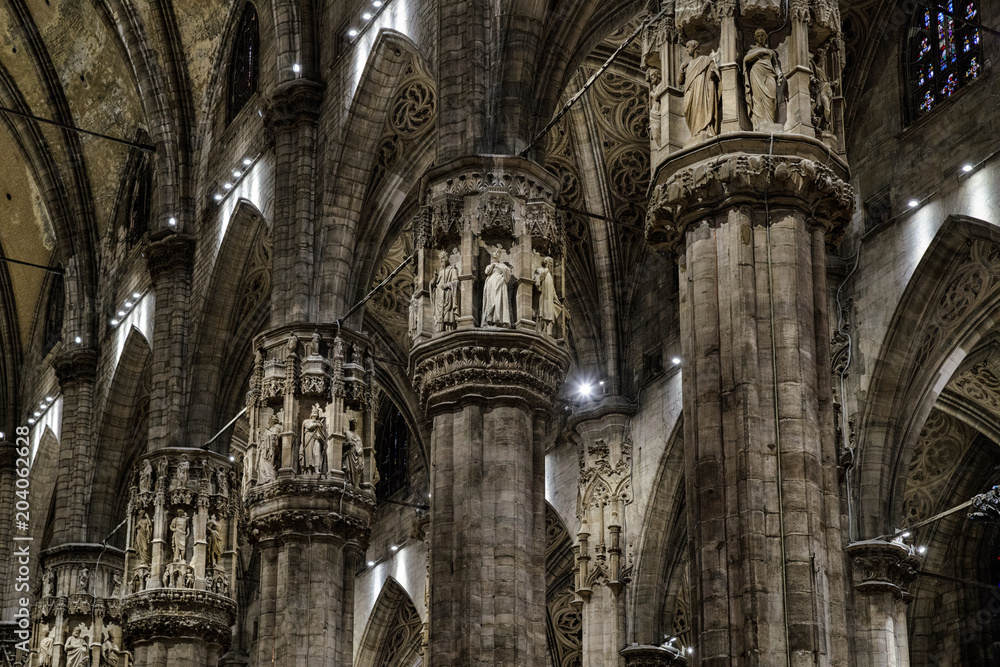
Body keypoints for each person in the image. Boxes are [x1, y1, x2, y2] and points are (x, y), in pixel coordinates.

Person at [743, 28, 784, 130]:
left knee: (772, 99)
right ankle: (759, 124)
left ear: (766, 37)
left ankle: (770, 122)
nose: (760, 38)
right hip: (756, 73)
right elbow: (746, 60)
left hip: (770, 74)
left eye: (762, 35)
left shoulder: (771, 52)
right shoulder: (752, 51)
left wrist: (779, 74)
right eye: (758, 36)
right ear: (755, 39)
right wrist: (759, 52)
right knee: (758, 99)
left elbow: (776, 65)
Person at [680, 40, 720, 141]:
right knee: (687, 109)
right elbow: (680, 81)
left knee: (701, 107)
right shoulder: (688, 65)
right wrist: (681, 69)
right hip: (690, 91)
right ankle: (694, 131)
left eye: (688, 47)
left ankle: (703, 130)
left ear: (694, 47)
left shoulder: (705, 59)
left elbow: (714, 71)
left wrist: (713, 73)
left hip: (701, 88)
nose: (687, 50)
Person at [482, 248, 511, 327]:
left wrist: (498, 266)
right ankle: (490, 318)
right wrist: (493, 265)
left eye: (498, 252)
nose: (496, 254)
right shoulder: (490, 265)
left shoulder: (502, 265)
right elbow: (486, 271)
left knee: (498, 300)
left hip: (499, 283)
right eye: (495, 252)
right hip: (491, 284)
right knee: (491, 300)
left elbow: (507, 272)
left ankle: (498, 319)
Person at [431, 250, 459, 332]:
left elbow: (456, 282)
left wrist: (447, 285)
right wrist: (435, 278)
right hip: (439, 297)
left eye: (442, 260)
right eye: (440, 261)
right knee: (439, 315)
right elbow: (434, 285)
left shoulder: (452, 270)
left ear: (446, 260)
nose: (441, 262)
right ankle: (439, 330)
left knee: (447, 313)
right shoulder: (440, 272)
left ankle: (448, 329)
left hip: (447, 294)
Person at [533, 257, 560, 335]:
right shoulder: (539, 270)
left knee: (548, 313)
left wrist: (556, 298)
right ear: (546, 262)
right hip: (543, 295)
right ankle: (539, 329)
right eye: (550, 263)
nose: (551, 265)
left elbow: (552, 288)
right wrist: (543, 275)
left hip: (549, 297)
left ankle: (546, 331)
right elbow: (536, 279)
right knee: (541, 312)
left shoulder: (550, 275)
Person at [300, 404, 326, 473]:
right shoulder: (306, 421)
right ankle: (309, 470)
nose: (315, 413)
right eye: (314, 411)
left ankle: (316, 469)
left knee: (317, 453)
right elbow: (308, 426)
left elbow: (322, 434)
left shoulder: (320, 423)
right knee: (309, 454)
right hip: (308, 437)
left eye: (316, 412)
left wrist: (320, 435)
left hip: (317, 439)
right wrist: (316, 424)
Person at [344, 418, 365, 486]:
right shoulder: (347, 433)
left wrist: (360, 449)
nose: (354, 424)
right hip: (350, 453)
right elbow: (342, 443)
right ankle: (349, 481)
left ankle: (356, 484)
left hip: (356, 454)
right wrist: (348, 443)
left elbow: (361, 445)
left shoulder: (358, 437)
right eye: (353, 423)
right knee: (349, 469)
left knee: (357, 470)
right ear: (350, 424)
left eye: (355, 423)